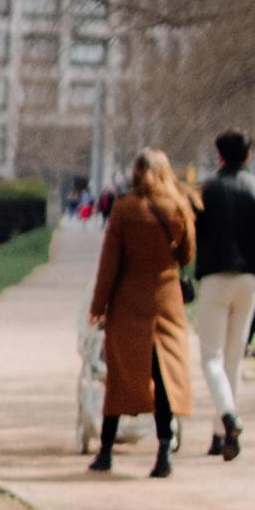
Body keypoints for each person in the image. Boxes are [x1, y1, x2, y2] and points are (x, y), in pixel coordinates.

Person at [88, 147, 195, 477]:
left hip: (129, 299)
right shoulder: (179, 206)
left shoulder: (124, 209)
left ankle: (106, 451)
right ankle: (165, 450)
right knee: (165, 376)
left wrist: (98, 306)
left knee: (120, 375)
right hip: (167, 300)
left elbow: (109, 263)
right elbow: (188, 255)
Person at [193, 131, 255, 458]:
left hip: (215, 276)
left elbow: (195, 235)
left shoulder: (207, 191)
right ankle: (221, 434)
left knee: (211, 358)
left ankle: (228, 418)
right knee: (233, 357)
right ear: (249, 156)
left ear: (219, 156)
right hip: (249, 279)